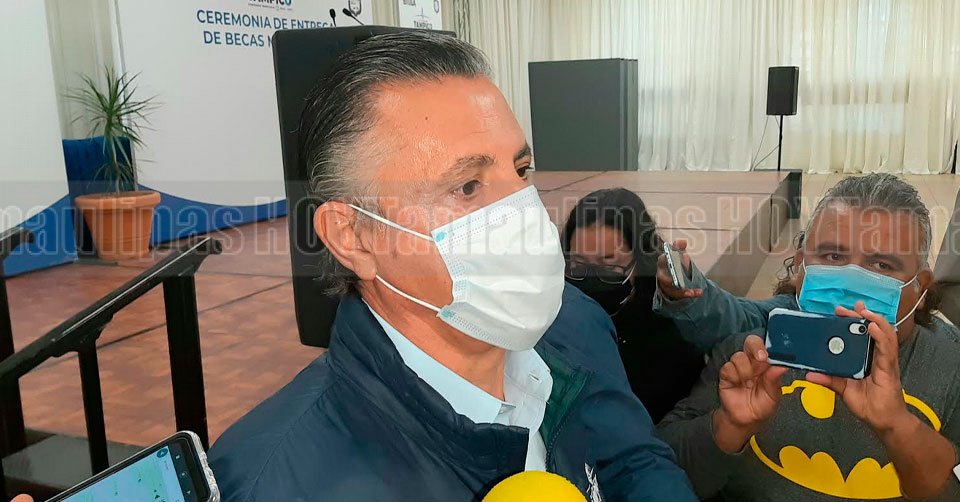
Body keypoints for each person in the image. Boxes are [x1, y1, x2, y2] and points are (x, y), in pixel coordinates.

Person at [207, 32, 695, 501]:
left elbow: (632, 460)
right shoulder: (276, 485)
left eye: (520, 170)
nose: (524, 210)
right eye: (467, 186)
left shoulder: (576, 319)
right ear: (352, 237)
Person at [654, 173, 960, 500]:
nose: (851, 280)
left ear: (920, 287)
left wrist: (899, 427)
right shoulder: (751, 353)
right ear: (800, 265)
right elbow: (653, 472)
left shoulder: (951, 368)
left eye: (882, 265)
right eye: (832, 257)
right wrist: (728, 427)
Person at [561, 188, 704, 422]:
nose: (591, 277)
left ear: (640, 259)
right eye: (578, 264)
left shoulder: (670, 334)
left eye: (609, 266)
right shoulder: (557, 313)